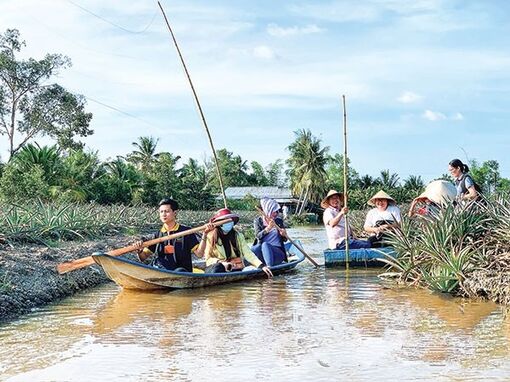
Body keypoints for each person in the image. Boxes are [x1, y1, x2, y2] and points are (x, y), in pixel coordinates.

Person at [134, 198, 208, 272]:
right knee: (155, 264)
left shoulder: (186, 232)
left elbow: (199, 254)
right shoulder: (158, 235)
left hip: (182, 273)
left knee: (180, 271)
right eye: (161, 212)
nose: (163, 214)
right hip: (162, 271)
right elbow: (143, 257)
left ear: (175, 213)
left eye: (167, 211)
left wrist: (205, 234)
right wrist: (139, 251)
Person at [202, 208, 273, 278]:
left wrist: (261, 266)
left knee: (250, 270)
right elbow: (208, 258)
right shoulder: (211, 237)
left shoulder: (238, 236)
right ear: (220, 224)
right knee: (218, 268)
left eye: (230, 221)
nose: (229, 223)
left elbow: (248, 253)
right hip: (219, 267)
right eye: (225, 221)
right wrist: (221, 263)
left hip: (234, 266)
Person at [251, 197, 288, 266]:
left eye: (277, 211)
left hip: (277, 252)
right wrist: (268, 228)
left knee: (265, 245)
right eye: (274, 211)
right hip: (262, 252)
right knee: (253, 249)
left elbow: (285, 240)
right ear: (268, 210)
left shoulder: (278, 221)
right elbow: (258, 236)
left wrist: (284, 235)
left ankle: (269, 268)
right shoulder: (258, 221)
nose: (276, 214)